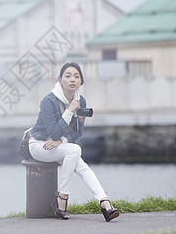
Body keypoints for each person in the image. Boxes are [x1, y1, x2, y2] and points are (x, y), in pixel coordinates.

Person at [29, 62, 119, 222]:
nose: (72, 79)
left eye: (77, 76)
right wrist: (69, 111)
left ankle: (105, 202)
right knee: (75, 150)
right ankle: (62, 197)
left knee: (82, 166)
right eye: (68, 76)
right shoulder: (48, 101)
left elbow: (78, 131)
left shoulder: (80, 101)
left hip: (59, 146)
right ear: (60, 80)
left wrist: (61, 141)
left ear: (81, 82)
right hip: (39, 145)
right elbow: (53, 132)